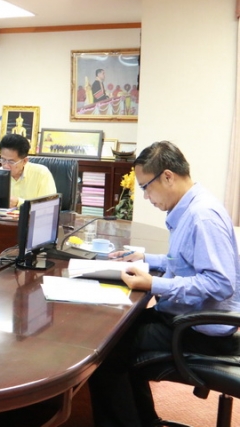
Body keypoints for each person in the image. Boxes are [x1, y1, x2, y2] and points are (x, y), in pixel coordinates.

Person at [88, 141, 240, 427]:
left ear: (168, 176)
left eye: (146, 187)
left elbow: (220, 283)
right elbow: (184, 261)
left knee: (104, 354)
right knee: (115, 336)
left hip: (198, 330)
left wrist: (153, 285)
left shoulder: (202, 216)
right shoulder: (190, 207)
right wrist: (146, 258)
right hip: (186, 317)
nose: (146, 197)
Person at [0, 134, 55, 208]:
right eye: (3, 160)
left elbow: (49, 206)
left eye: (11, 162)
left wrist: (19, 203)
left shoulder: (41, 173)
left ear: (24, 161)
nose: (6, 165)